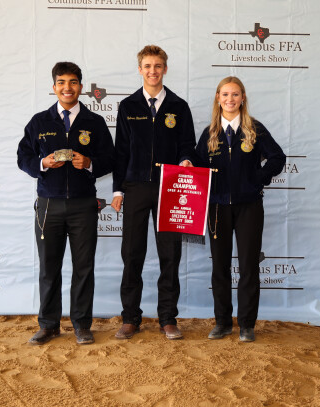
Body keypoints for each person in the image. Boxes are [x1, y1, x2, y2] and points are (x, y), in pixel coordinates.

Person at [17, 62, 115, 345]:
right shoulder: (39, 122)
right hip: (49, 205)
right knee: (49, 267)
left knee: (84, 267)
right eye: (61, 82)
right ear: (54, 87)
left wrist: (90, 163)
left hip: (84, 205)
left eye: (73, 82)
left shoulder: (94, 123)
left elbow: (110, 158)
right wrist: (42, 164)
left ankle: (82, 325)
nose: (67, 88)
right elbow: (23, 157)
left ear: (81, 88)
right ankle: (48, 324)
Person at [111, 45, 196, 340]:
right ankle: (130, 318)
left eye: (158, 66)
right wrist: (118, 189)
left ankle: (167, 318)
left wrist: (186, 159)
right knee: (132, 254)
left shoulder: (179, 106)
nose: (152, 71)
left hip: (171, 188)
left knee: (169, 255)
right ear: (139, 69)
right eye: (147, 66)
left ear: (165, 69)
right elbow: (120, 152)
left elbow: (188, 144)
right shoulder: (128, 106)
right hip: (135, 187)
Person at [195, 76, 285, 342]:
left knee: (248, 266)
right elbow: (198, 165)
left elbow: (278, 158)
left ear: (243, 98)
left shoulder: (254, 129)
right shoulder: (210, 132)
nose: (230, 100)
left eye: (235, 95)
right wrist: (187, 163)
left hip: (249, 207)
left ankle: (247, 325)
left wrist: (257, 178)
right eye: (225, 95)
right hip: (217, 208)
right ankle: (222, 323)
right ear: (217, 98)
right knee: (220, 267)